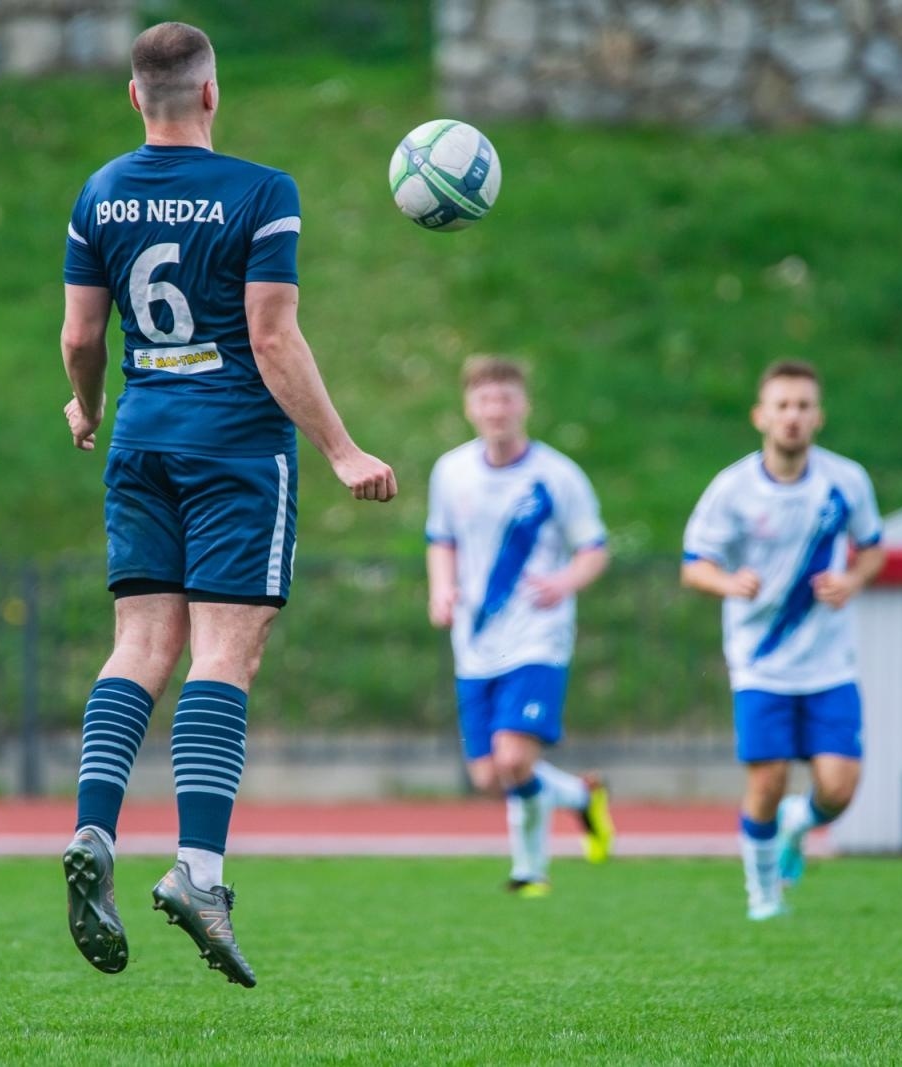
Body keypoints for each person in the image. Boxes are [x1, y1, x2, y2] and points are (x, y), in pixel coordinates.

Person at [58, 21, 396, 988]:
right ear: (211, 94)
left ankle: (94, 825)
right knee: (224, 652)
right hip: (238, 446)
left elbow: (83, 334)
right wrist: (341, 448)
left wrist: (87, 408)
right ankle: (198, 871)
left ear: (135, 98)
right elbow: (272, 337)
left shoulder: (100, 193)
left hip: (141, 439)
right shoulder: (261, 191)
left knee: (138, 644)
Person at [681, 359, 885, 921]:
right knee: (768, 779)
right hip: (760, 663)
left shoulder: (846, 482)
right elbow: (693, 565)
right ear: (760, 416)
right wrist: (729, 581)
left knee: (838, 790)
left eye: (802, 406)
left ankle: (801, 824)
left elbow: (872, 548)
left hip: (828, 663)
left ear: (818, 418)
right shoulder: (733, 489)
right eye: (782, 406)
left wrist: (852, 579)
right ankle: (763, 895)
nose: (791, 416)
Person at [425, 356, 615, 897]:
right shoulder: (451, 470)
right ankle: (582, 797)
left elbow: (594, 548)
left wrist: (565, 582)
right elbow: (441, 539)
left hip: (538, 636)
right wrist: (441, 588)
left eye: (507, 398)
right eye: (486, 400)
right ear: (470, 408)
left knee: (513, 759)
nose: (497, 410)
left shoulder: (556, 475)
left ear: (524, 405)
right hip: (476, 640)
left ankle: (530, 872)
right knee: (487, 776)